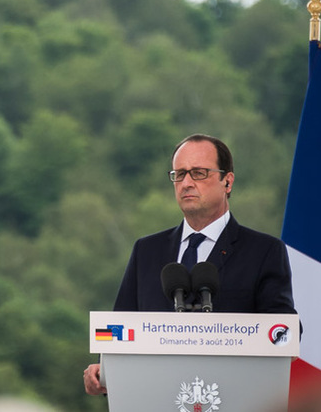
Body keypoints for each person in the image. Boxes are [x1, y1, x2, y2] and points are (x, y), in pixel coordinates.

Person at [83, 133, 295, 395]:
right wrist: (104, 370)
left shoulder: (264, 251)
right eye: (179, 174)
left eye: (199, 173)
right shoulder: (147, 251)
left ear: (227, 181)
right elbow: (120, 331)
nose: (186, 183)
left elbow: (284, 335)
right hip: (156, 398)